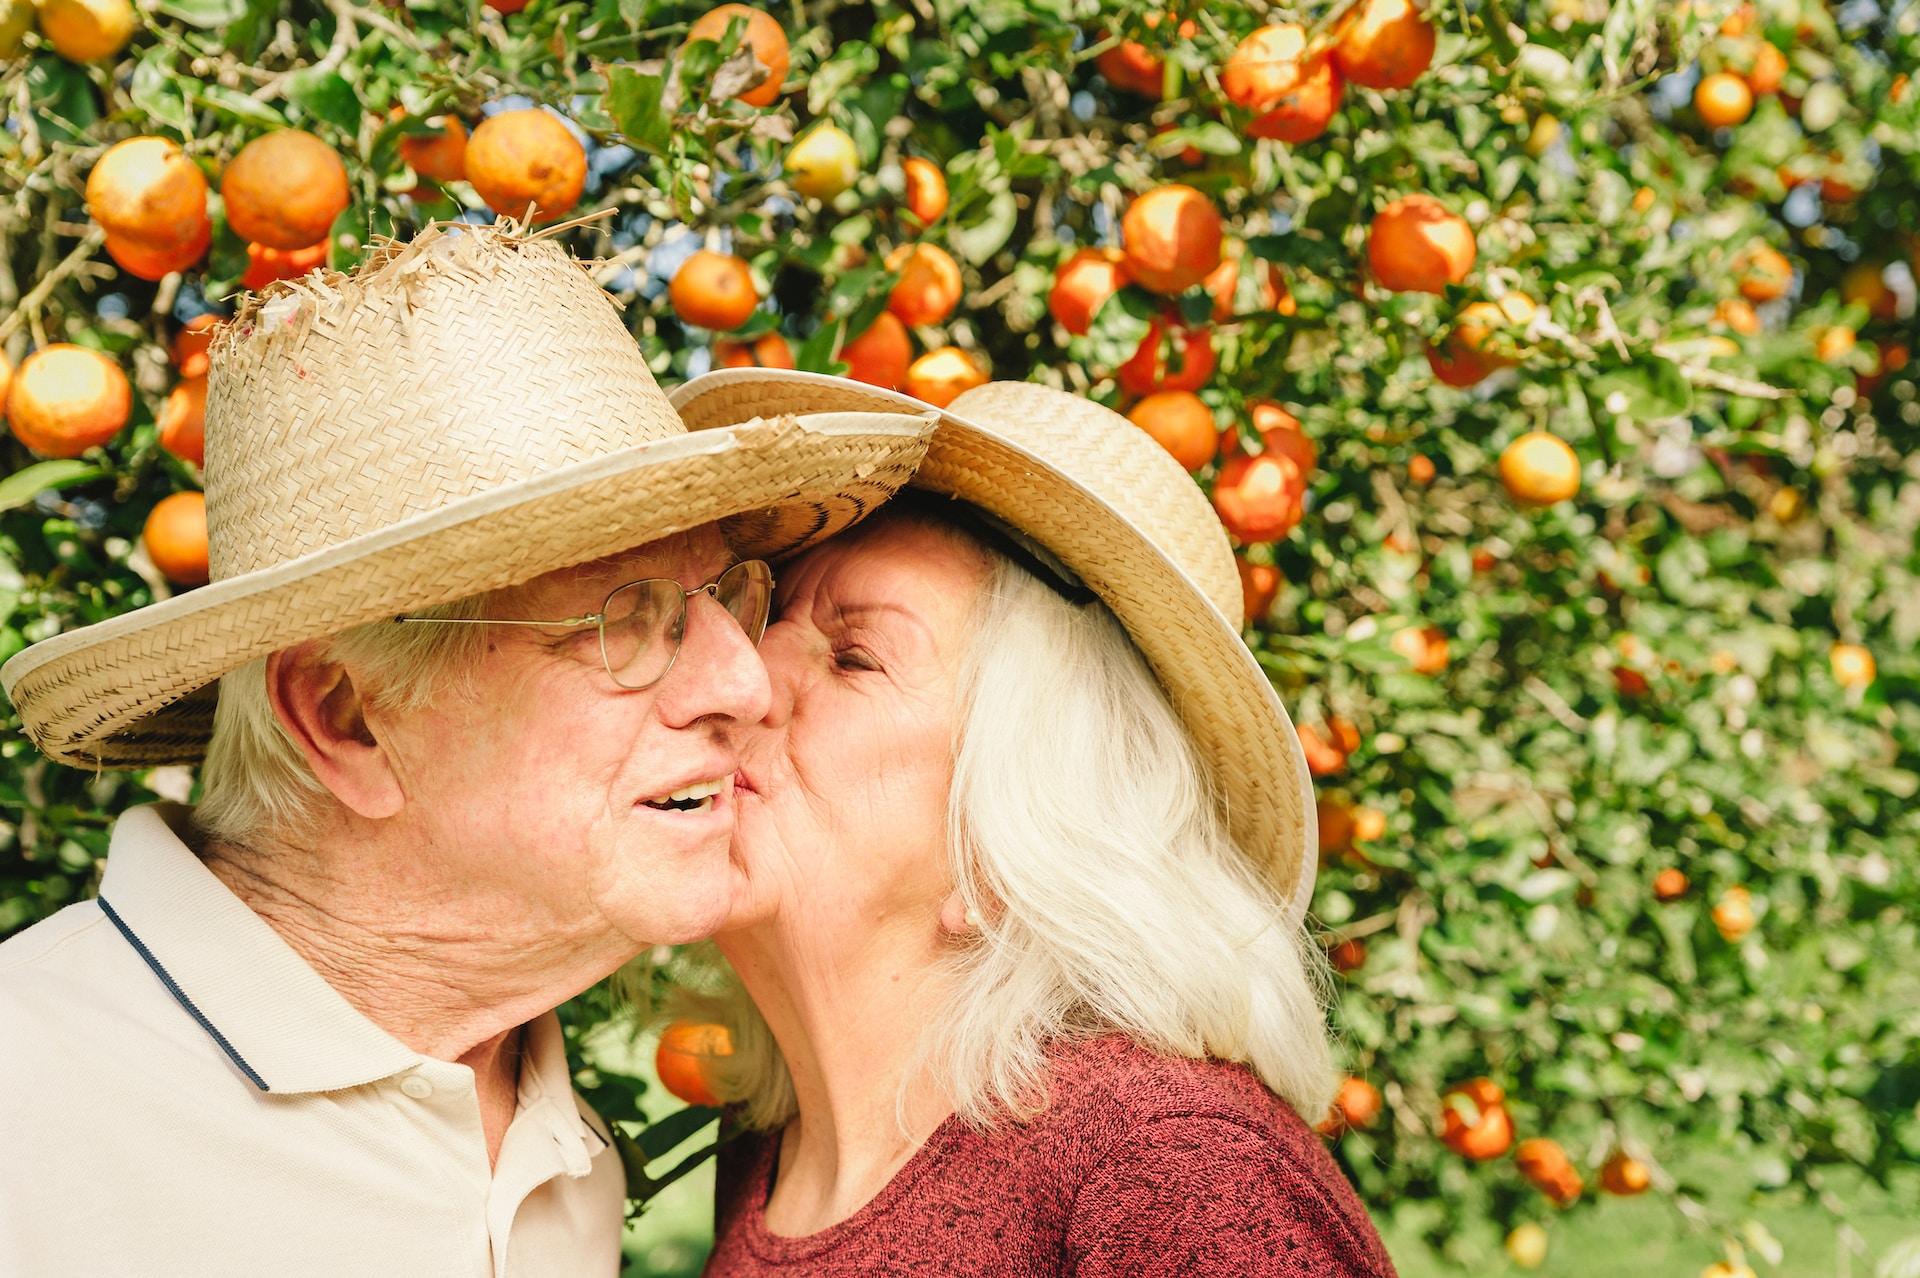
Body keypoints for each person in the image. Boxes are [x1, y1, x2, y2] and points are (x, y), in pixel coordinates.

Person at [0, 223, 935, 1275]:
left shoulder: (555, 1135)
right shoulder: (27, 1111)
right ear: (347, 720)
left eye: (725, 596)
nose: (746, 682)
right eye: (628, 620)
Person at [666, 370, 1397, 1276]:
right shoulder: (768, 1142)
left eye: (855, 657)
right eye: (766, 614)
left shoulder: (1174, 1176)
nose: (741, 674)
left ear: (1006, 851)